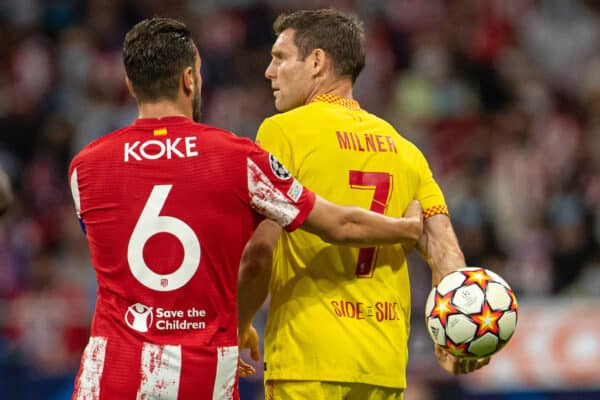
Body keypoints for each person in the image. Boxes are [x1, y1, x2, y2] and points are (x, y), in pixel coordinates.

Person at [67, 17, 423, 400]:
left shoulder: (85, 167)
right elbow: (338, 225)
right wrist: (406, 229)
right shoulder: (238, 159)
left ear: (130, 84)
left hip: (112, 373)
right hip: (203, 374)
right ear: (190, 79)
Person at [237, 8, 490, 400]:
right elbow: (445, 251)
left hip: (307, 361)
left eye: (280, 58)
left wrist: (239, 325)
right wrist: (460, 335)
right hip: (382, 367)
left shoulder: (282, 132)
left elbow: (259, 253)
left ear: (318, 62)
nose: (270, 71)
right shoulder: (405, 151)